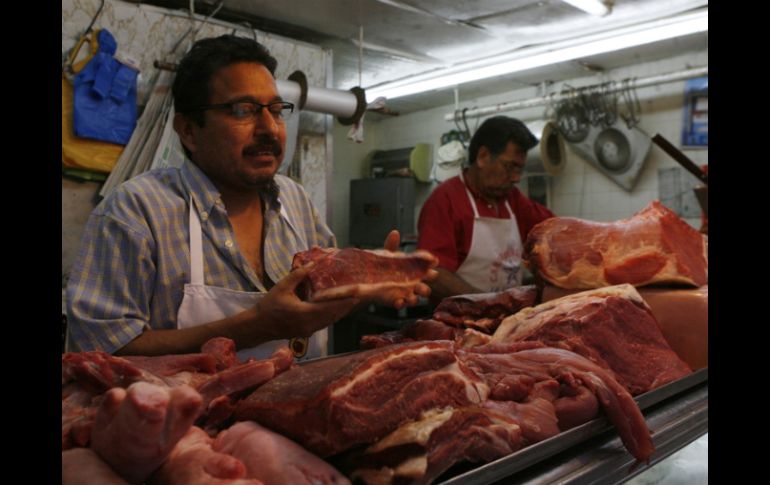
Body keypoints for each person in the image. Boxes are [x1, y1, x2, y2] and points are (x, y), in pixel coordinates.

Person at [66, 35, 430, 360]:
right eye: (243, 111)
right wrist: (253, 328)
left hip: (296, 422)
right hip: (187, 430)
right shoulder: (134, 211)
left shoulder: (295, 201)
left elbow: (323, 296)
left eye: (275, 109)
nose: (269, 129)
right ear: (189, 131)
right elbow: (98, 353)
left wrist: (366, 288)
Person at [417, 116, 555, 301]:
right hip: (457, 322)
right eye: (510, 167)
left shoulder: (512, 199)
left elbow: (553, 231)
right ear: (483, 156)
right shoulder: (445, 200)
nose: (516, 178)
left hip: (506, 318)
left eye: (519, 169)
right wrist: (488, 304)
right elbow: (433, 274)